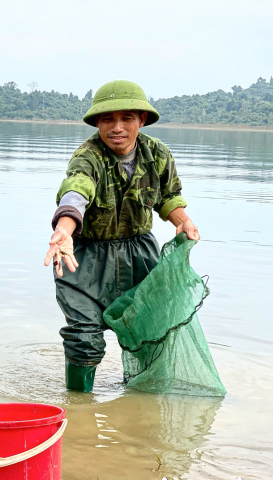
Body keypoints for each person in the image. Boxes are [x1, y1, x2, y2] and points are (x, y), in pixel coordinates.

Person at [44, 80, 200, 392]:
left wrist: (182, 220)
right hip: (84, 257)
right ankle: (79, 407)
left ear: (141, 120)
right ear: (97, 123)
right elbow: (77, 190)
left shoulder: (158, 155)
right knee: (83, 337)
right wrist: (63, 229)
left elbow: (168, 197)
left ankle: (144, 402)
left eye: (127, 118)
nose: (117, 128)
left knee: (151, 332)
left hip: (138, 255)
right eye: (107, 119)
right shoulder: (87, 156)